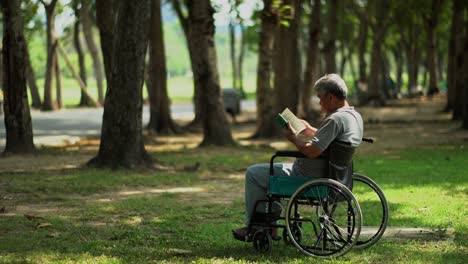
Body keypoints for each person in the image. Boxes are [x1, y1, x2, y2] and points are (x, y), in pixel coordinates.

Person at [232, 73, 364, 241]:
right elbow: (332, 140)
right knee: (267, 173)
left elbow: (311, 151)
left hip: (306, 178)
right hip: (332, 176)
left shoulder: (335, 119)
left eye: (320, 99)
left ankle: (257, 227)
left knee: (254, 174)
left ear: (330, 97)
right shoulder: (353, 116)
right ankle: (269, 227)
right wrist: (309, 130)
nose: (319, 103)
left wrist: (293, 138)